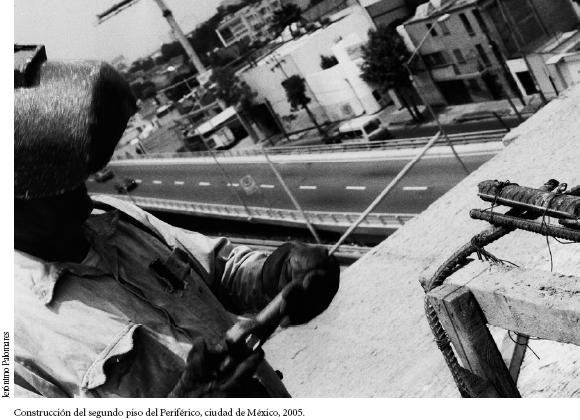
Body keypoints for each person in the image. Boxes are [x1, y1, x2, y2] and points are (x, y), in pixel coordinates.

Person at [14, 47, 340, 398]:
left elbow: (221, 271)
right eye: (52, 183)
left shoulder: (113, 218)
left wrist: (280, 272)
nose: (80, 184)